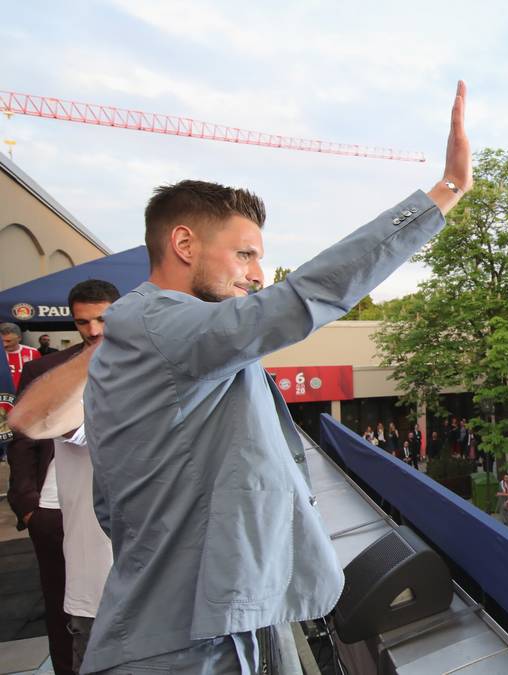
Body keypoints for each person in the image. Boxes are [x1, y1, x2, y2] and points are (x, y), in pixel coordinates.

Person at [51, 83, 473, 674]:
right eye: (246, 254)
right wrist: (445, 192)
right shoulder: (166, 327)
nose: (259, 273)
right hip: (182, 645)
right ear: (183, 243)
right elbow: (306, 296)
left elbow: (110, 505)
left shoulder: (148, 341)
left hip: (205, 626)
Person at [9, 280, 120, 674]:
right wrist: (27, 507)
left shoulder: (144, 367)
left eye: (102, 319)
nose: (92, 330)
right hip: (53, 512)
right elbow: (21, 440)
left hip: (117, 516)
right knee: (65, 609)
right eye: (82, 322)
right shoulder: (46, 370)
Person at [2, 322, 40, 389]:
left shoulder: (33, 352)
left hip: (26, 396)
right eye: (1, 341)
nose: (5, 345)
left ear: (19, 338)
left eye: (8, 341)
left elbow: (40, 376)